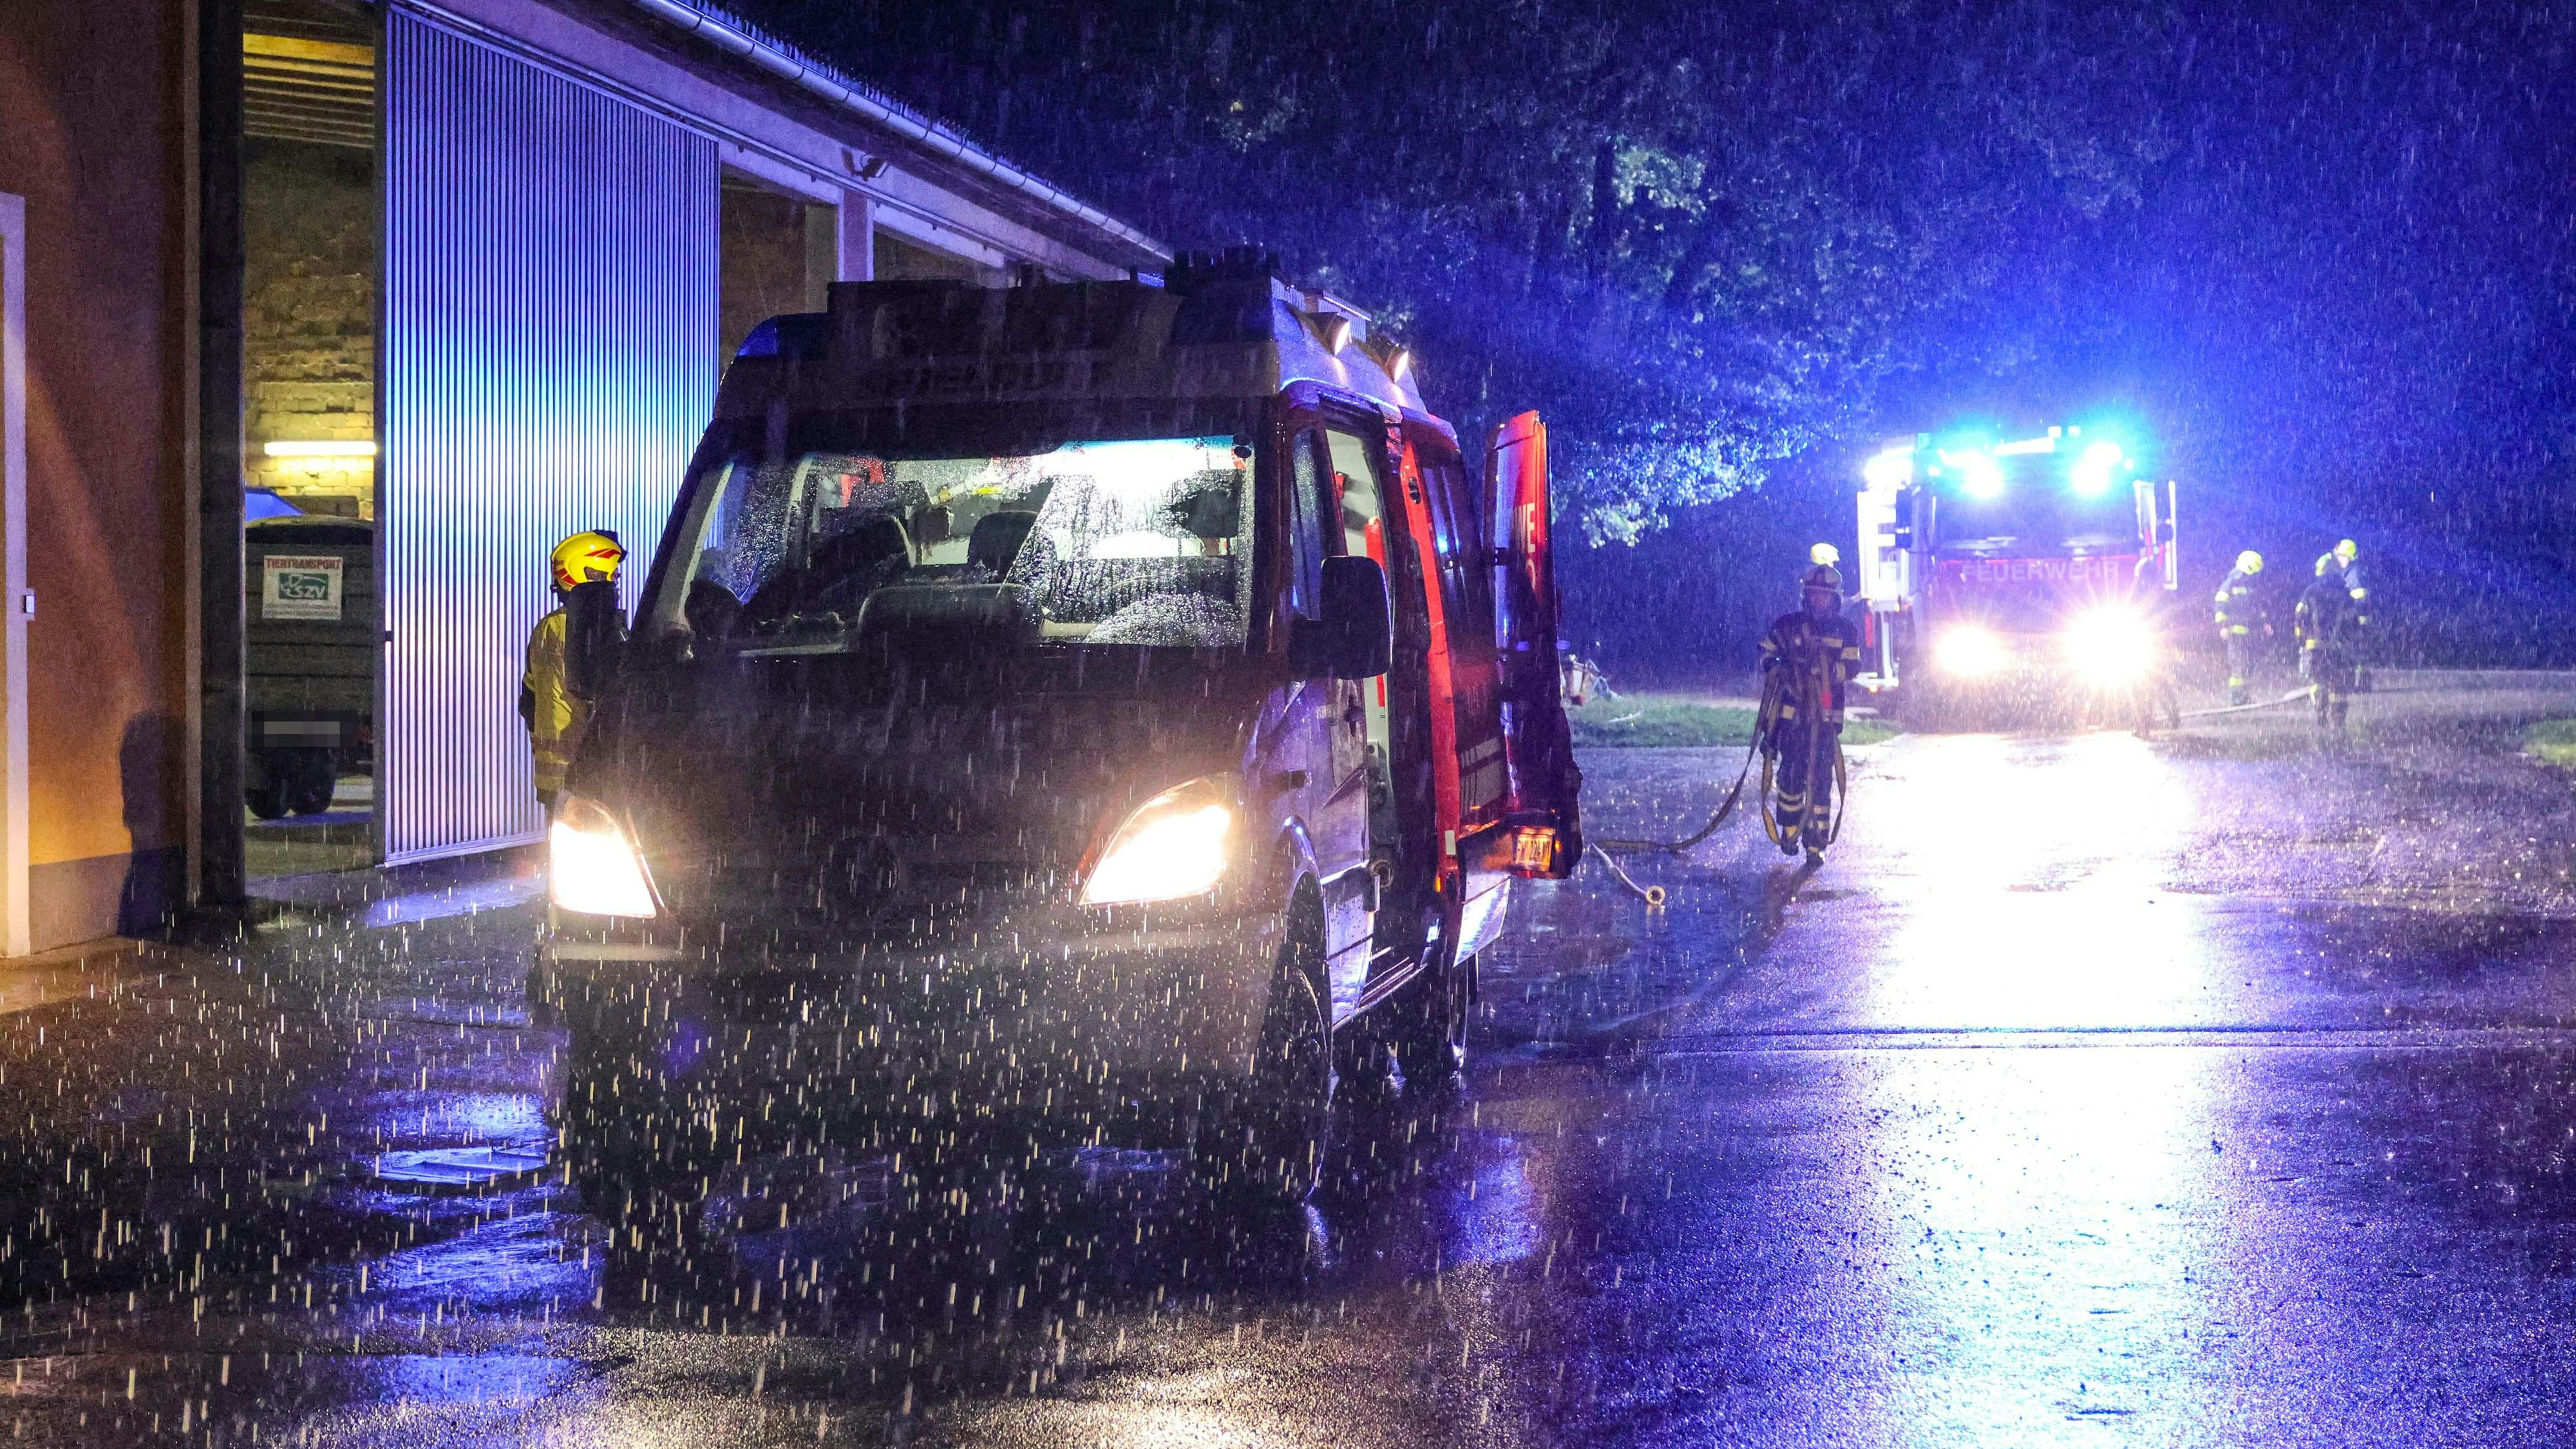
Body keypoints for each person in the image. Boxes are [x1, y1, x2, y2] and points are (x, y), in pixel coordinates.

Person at [1759, 546, 1865, 864]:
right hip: (1791, 719)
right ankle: (1790, 832)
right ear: (1807, 596)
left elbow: (1854, 665)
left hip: (1826, 719)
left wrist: (1830, 672)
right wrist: (1780, 664)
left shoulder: (1846, 630)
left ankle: (1816, 843)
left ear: (1835, 598)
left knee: (1821, 780)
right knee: (1790, 776)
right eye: (1814, 594)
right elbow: (1766, 654)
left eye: (1824, 596)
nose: (1819, 600)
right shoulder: (1787, 625)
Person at [522, 531, 628, 810]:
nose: (616, 581)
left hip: (553, 779)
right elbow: (615, 695)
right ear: (591, 574)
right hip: (585, 776)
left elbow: (528, 702)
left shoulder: (546, 628)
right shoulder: (590, 629)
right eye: (611, 574)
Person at [2295, 556, 2359, 737]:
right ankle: (2338, 720)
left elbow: (2300, 616)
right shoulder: (2344, 592)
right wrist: (2352, 640)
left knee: (2317, 681)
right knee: (2338, 685)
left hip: (2314, 647)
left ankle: (2321, 710)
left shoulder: (2311, 591)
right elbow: (2352, 621)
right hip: (2337, 647)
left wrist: (2300, 638)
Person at [2213, 549, 2270, 705]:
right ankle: (2237, 697)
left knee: (2248, 665)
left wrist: (2264, 624)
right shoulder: (2231, 583)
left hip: (2249, 633)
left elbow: (2257, 607)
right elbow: (2220, 605)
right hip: (2235, 633)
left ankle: (2244, 695)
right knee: (2238, 666)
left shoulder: (2250, 585)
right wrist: (2223, 626)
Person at [2333, 538, 2374, 690]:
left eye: (2344, 557)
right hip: (2358, 618)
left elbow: (2360, 600)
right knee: (2358, 652)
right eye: (2340, 556)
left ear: (2351, 557)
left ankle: (2357, 684)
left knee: (2354, 652)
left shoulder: (2353, 574)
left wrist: (2350, 616)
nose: (2341, 559)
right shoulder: (2350, 571)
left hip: (2357, 619)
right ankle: (2362, 684)